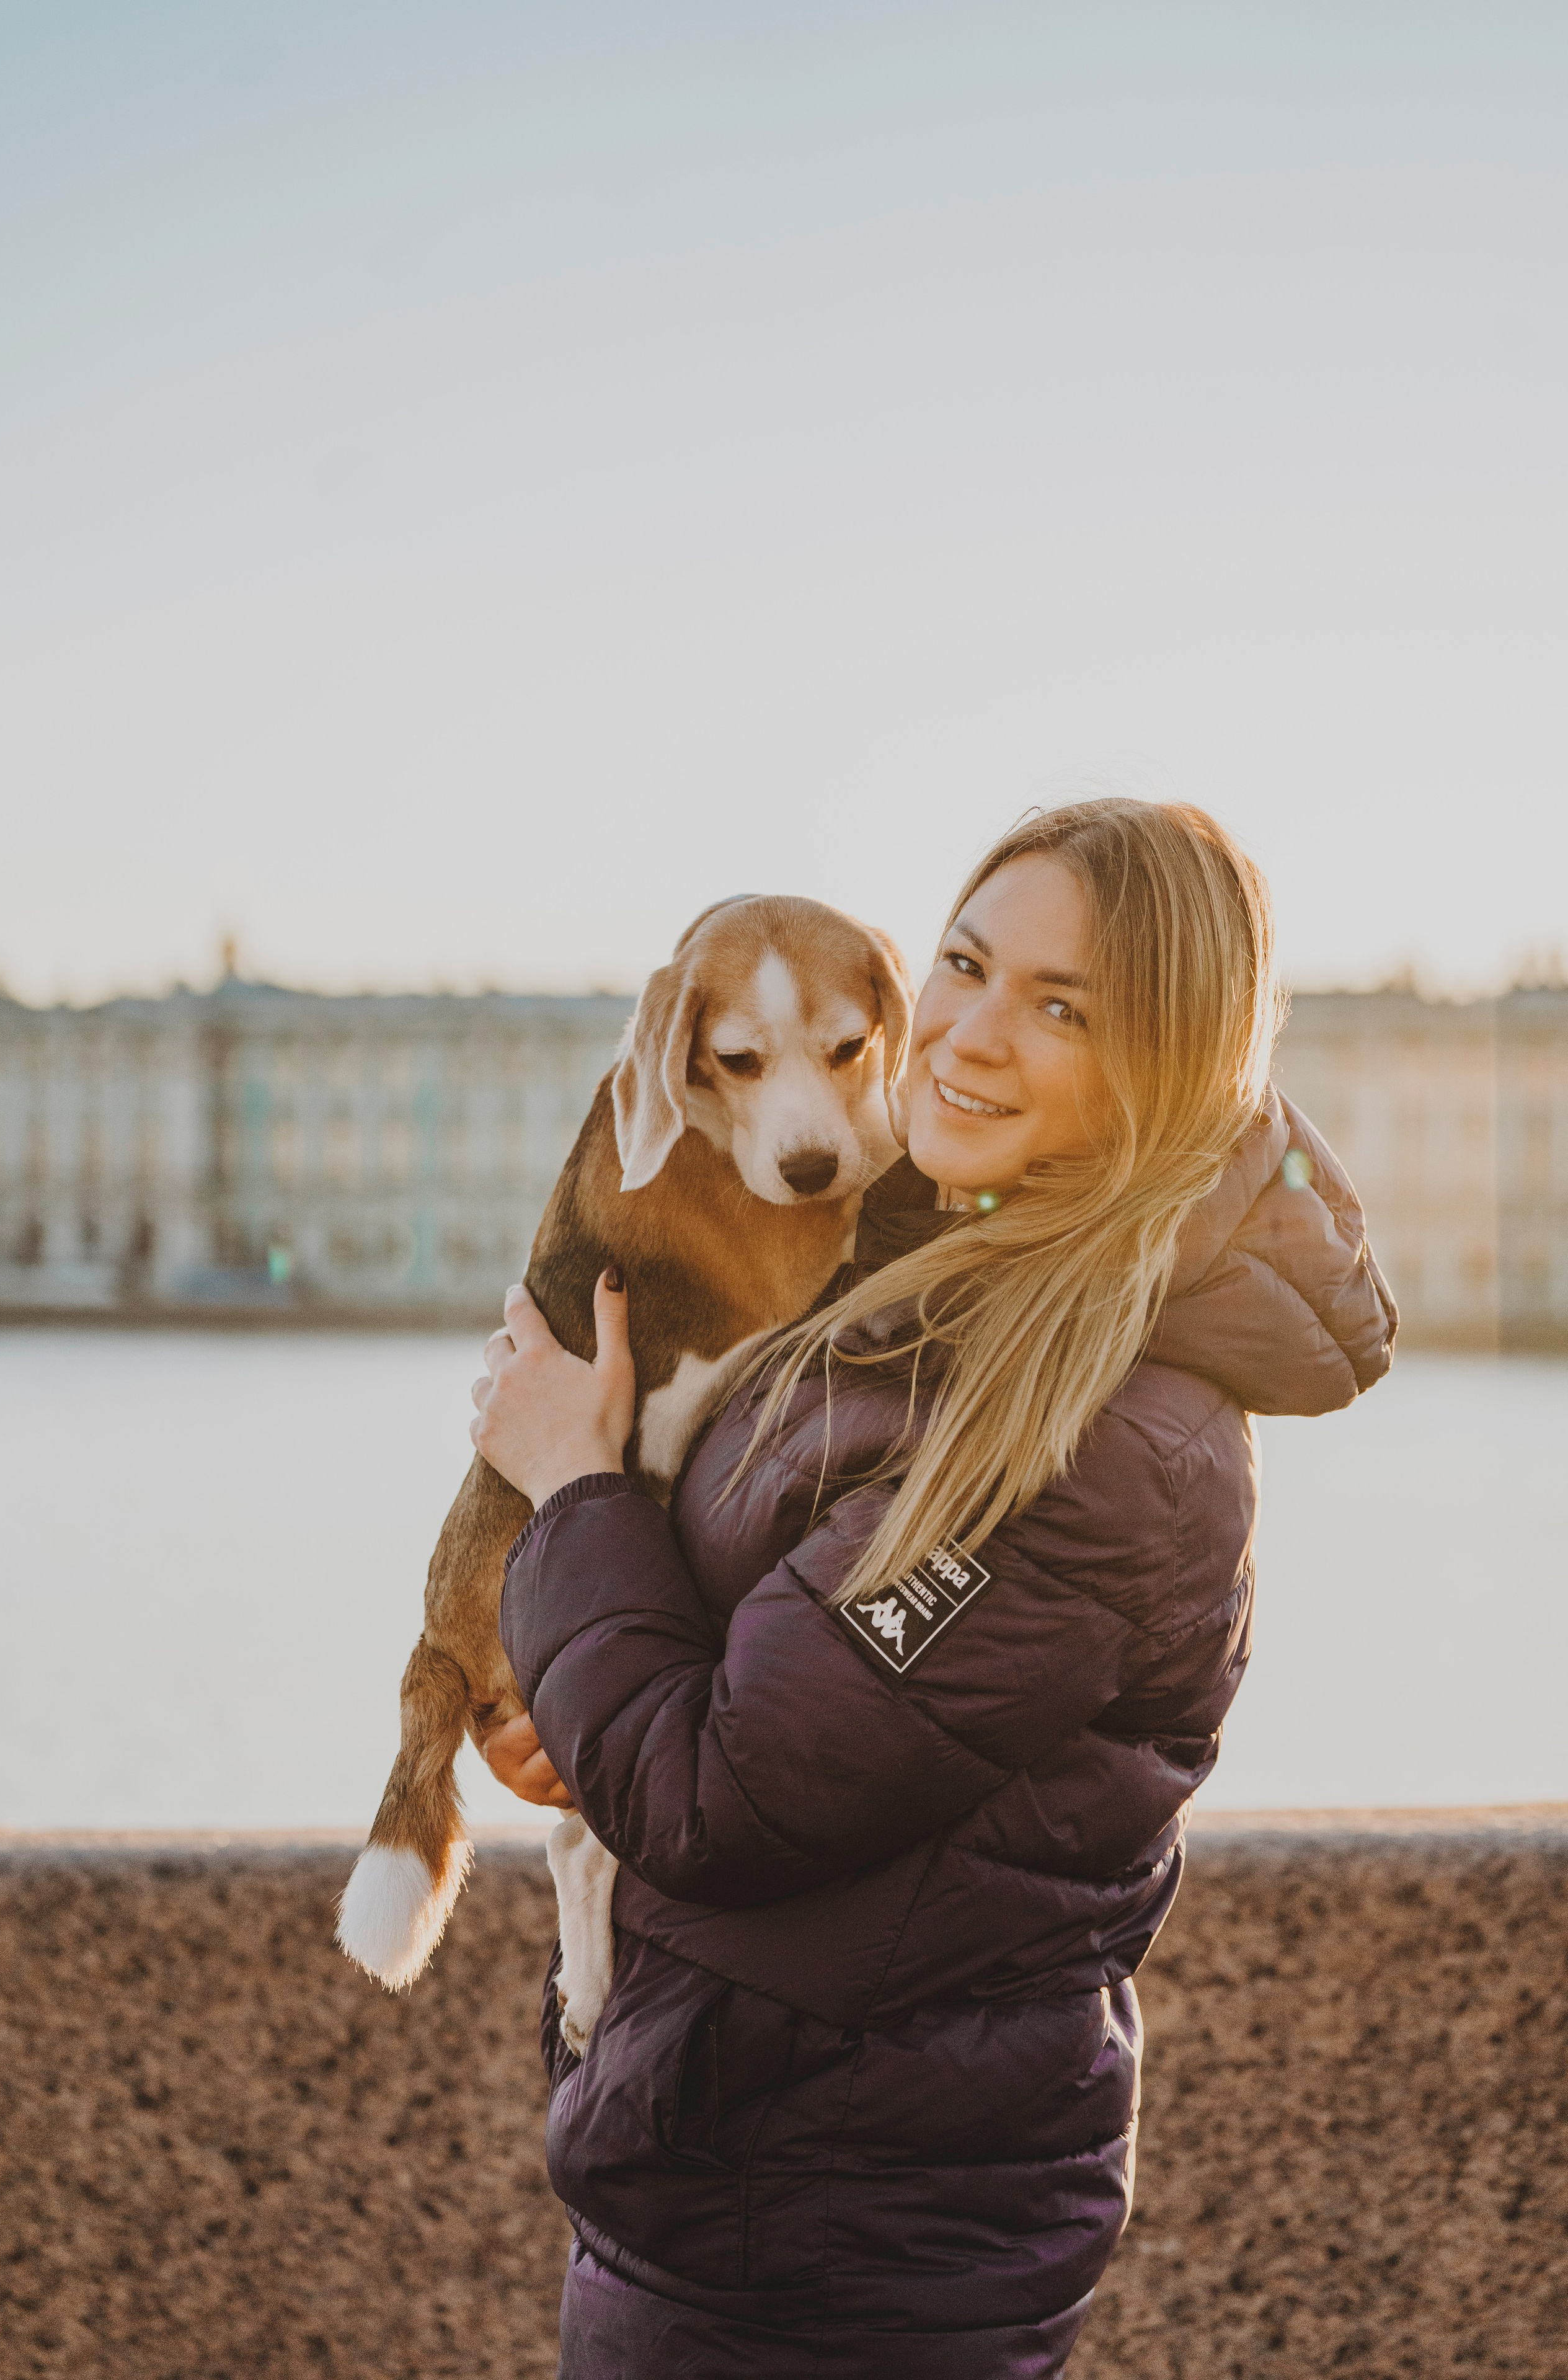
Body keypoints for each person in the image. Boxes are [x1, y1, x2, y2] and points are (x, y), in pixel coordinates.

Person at [470, 799, 1395, 2378]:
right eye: (963, 963)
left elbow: (725, 1791)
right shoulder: (911, 1271)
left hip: (837, 2262)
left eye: (1061, 1006)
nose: (962, 1031)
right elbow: (747, 1683)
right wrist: (573, 1683)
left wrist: (574, 1497)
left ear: (1162, 1064)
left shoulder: (1109, 1435)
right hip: (732, 2188)